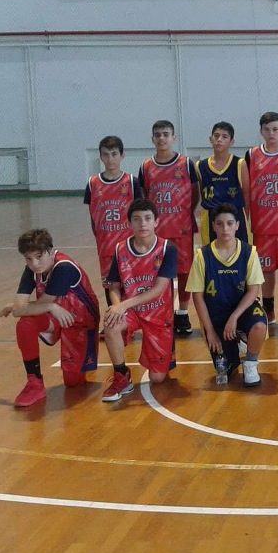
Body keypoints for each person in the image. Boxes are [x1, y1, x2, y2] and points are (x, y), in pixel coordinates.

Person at [0, 229, 100, 408]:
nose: (34, 264)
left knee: (73, 383)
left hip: (81, 321)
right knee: (26, 324)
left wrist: (15, 307)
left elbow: (28, 307)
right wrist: (51, 307)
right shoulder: (32, 269)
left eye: (39, 257)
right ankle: (34, 383)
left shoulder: (64, 268)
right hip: (55, 316)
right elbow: (25, 309)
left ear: (50, 251)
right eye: (28, 259)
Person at [101, 199, 179, 402]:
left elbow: (158, 289)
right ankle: (121, 376)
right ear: (129, 223)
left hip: (158, 312)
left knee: (158, 378)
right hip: (133, 311)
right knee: (111, 324)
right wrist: (116, 307)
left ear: (156, 222)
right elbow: (114, 286)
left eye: (147, 218)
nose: (142, 223)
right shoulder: (120, 249)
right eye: (136, 219)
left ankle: (166, 349)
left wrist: (122, 305)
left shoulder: (167, 249)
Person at [187, 203, 267, 387]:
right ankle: (235, 345)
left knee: (259, 325)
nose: (225, 228)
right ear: (213, 226)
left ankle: (251, 362)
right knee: (226, 368)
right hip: (217, 314)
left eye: (230, 223)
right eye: (220, 224)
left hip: (242, 309)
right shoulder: (202, 256)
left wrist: (234, 317)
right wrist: (210, 332)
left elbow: (253, 290)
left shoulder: (249, 252)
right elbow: (197, 297)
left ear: (237, 225)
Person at [242, 111, 278, 328]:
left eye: (275, 129)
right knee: (265, 269)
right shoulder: (251, 155)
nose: (271, 133)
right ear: (261, 131)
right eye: (266, 130)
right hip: (263, 224)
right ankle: (269, 309)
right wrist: (248, 218)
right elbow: (246, 191)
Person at [138, 119, 197, 336]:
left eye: (165, 134)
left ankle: (182, 312)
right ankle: (162, 312)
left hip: (182, 228)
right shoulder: (146, 167)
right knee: (158, 273)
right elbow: (143, 197)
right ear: (152, 139)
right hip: (157, 232)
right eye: (158, 135)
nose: (161, 138)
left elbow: (195, 193)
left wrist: (183, 213)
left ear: (174, 138)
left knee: (184, 272)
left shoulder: (186, 164)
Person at [84, 135, 140, 304]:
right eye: (106, 154)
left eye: (114, 154)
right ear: (101, 157)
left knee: (131, 285)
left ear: (122, 155)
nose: (110, 159)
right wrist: (101, 238)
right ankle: (113, 316)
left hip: (129, 245)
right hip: (106, 245)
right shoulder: (93, 183)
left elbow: (140, 213)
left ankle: (132, 317)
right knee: (110, 286)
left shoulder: (132, 182)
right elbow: (93, 216)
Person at [194, 121, 249, 244]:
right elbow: (200, 194)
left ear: (232, 141)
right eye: (216, 136)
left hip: (235, 216)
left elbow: (246, 194)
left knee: (239, 252)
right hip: (210, 217)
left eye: (224, 137)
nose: (219, 140)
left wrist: (245, 218)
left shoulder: (239, 164)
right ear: (210, 139)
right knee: (211, 253)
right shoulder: (200, 166)